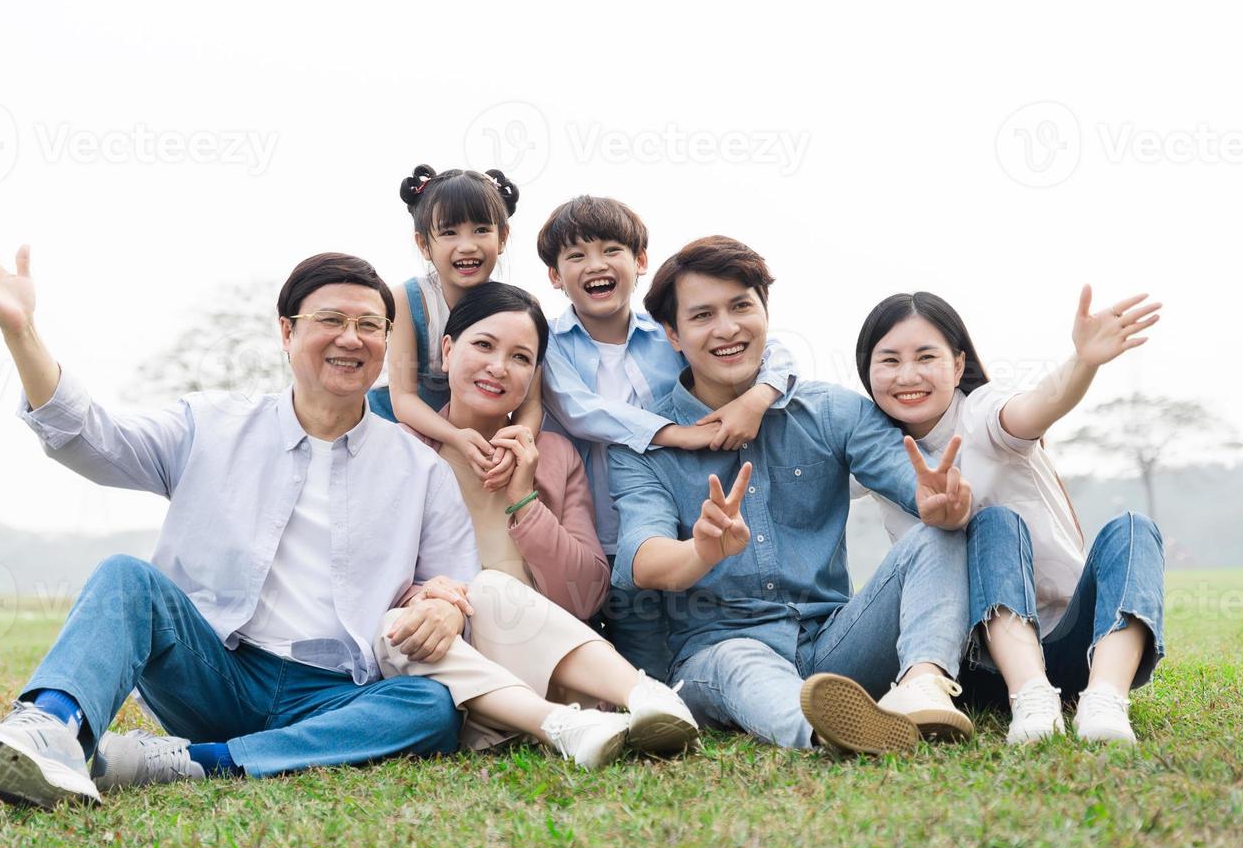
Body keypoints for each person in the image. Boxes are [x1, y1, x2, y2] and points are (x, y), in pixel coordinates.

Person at [0, 224, 478, 809]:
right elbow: (88, 441)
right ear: (286, 331)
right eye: (331, 320)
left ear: (385, 340)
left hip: (336, 693)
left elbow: (451, 582)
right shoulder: (210, 423)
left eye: (369, 326)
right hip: (216, 670)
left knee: (431, 710)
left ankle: (195, 763)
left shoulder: (420, 469)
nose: (351, 339)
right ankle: (51, 730)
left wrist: (441, 605)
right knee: (127, 578)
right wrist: (21, 332)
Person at [608, 236, 978, 755]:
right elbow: (642, 560)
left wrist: (943, 505)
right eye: (702, 316)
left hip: (834, 640)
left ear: (765, 311)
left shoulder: (832, 411)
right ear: (672, 333)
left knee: (936, 536)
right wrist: (702, 550)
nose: (727, 328)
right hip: (719, 653)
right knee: (738, 662)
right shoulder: (647, 445)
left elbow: (919, 487)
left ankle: (921, 686)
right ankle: (831, 734)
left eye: (741, 306)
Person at [376, 282, 699, 768]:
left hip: (549, 667)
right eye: (483, 346)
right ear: (447, 350)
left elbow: (585, 594)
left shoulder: (554, 455)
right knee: (394, 627)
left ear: (534, 376)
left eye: (521, 358)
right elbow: (369, 579)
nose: (498, 367)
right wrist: (433, 600)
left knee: (490, 588)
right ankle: (563, 726)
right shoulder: (402, 451)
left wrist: (524, 499)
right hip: (455, 675)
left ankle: (645, 697)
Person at [854, 288, 1166, 745]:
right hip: (970, 666)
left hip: (1071, 648)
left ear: (958, 365)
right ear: (867, 372)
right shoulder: (870, 445)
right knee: (993, 523)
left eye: (926, 357)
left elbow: (1036, 407)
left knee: (1134, 528)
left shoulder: (979, 413)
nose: (908, 375)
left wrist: (1084, 362)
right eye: (889, 361)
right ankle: (1030, 697)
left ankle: (1105, 699)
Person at [535, 195, 800, 677]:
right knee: (597, 672)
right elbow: (579, 411)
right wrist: (675, 435)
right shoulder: (547, 343)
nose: (596, 265)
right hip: (591, 538)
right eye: (576, 256)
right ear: (555, 275)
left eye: (612, 249)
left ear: (639, 262)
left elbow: (773, 351)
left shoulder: (670, 335)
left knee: (662, 673)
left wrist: (758, 397)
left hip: (676, 535)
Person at [368, 164, 539, 493]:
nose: (467, 245)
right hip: (409, 423)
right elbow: (403, 398)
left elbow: (531, 403)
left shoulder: (521, 308)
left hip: (482, 427)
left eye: (481, 230)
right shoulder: (407, 300)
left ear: (502, 237)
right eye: (449, 233)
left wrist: (515, 441)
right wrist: (454, 437)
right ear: (423, 244)